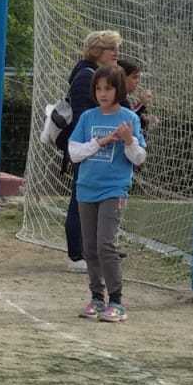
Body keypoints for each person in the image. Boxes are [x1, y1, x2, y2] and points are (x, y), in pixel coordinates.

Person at [66, 65, 146, 323]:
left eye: (108, 88)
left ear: (118, 90)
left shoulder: (129, 118)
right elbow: (74, 153)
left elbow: (139, 158)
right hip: (86, 189)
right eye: (99, 88)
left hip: (114, 190)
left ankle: (117, 301)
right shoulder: (88, 117)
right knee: (89, 247)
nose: (103, 93)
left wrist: (128, 140)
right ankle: (96, 298)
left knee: (105, 244)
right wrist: (100, 142)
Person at [63, 30, 121, 273]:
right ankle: (77, 254)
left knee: (98, 198)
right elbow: (82, 119)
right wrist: (94, 142)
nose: (116, 53)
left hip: (100, 147)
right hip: (88, 149)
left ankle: (96, 248)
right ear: (97, 51)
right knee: (81, 199)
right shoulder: (85, 77)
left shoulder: (97, 75)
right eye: (111, 49)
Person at [116, 56, 153, 136]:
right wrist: (142, 104)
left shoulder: (124, 98)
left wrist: (145, 119)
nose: (138, 81)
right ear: (122, 78)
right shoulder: (118, 99)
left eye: (138, 78)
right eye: (134, 77)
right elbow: (130, 120)